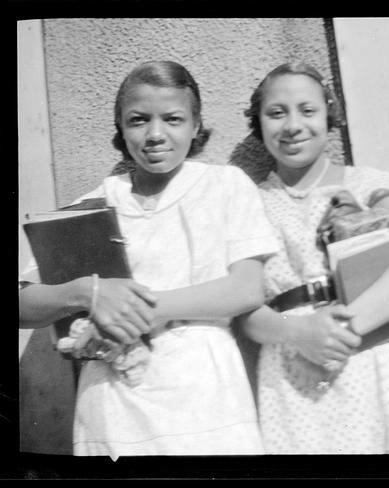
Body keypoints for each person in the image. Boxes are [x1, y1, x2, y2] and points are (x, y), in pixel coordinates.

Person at [18, 60, 278, 457]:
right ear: (121, 130)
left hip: (206, 396)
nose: (156, 134)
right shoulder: (95, 204)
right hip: (115, 402)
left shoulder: (225, 186)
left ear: (195, 125)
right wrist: (86, 293)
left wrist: (146, 310)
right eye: (138, 120)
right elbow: (22, 301)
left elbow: (246, 288)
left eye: (173, 119)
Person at [237, 62, 389, 454]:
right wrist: (301, 334)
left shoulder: (370, 185)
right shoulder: (247, 203)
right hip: (293, 369)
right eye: (276, 112)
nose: (292, 125)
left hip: (378, 358)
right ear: (258, 122)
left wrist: (343, 330)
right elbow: (246, 310)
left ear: (329, 115)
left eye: (308, 110)